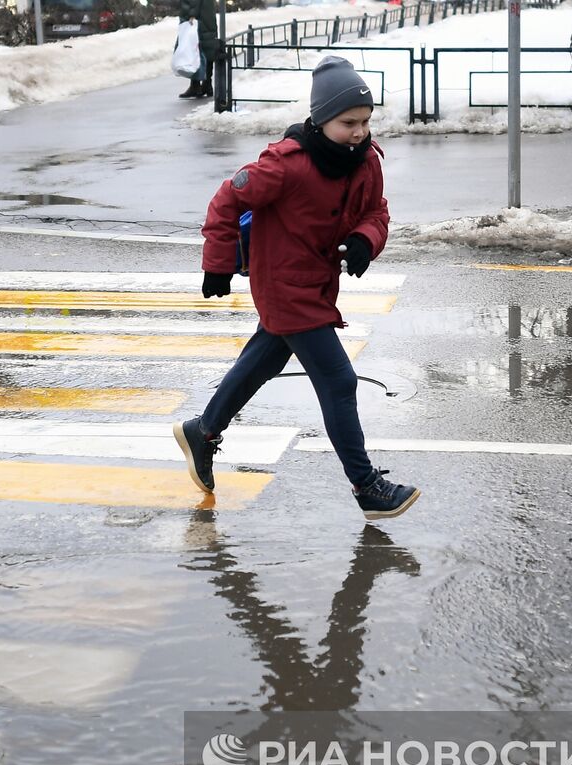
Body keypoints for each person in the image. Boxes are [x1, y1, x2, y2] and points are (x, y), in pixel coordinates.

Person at [173, 56, 420, 521]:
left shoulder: (366, 163)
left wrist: (366, 241)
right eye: (348, 123)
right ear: (322, 118)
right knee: (339, 381)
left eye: (366, 122)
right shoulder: (286, 165)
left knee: (264, 359)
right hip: (283, 285)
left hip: (318, 283)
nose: (360, 132)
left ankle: (202, 432)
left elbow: (377, 212)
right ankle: (366, 486)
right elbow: (228, 198)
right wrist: (219, 265)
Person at [177, 0, 217, 99]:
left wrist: (192, 14)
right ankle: (207, 84)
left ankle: (195, 85)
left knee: (195, 49)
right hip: (207, 15)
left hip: (197, 18)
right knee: (206, 48)